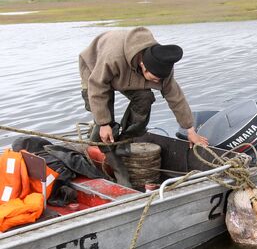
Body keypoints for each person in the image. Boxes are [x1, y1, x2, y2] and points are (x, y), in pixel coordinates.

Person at [79, 27, 208, 185]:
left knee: (145, 97)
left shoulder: (161, 62)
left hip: (127, 75)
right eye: (153, 79)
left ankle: (123, 142)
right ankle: (117, 169)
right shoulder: (113, 57)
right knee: (104, 119)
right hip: (94, 72)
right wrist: (104, 123)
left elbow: (175, 96)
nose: (156, 82)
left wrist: (189, 129)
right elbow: (97, 87)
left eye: (159, 80)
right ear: (142, 65)